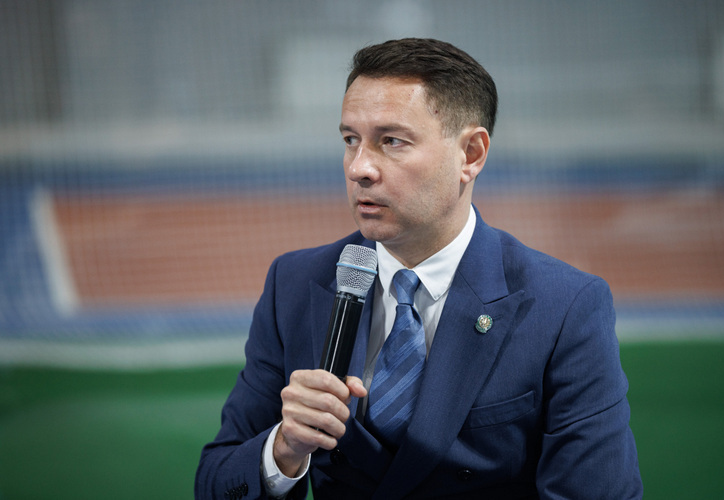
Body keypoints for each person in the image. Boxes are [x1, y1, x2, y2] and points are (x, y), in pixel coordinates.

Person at [196, 38, 642, 499]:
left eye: (392, 141)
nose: (359, 168)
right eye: (351, 140)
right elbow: (215, 483)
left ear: (471, 154)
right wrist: (283, 449)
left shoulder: (564, 307)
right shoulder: (293, 284)